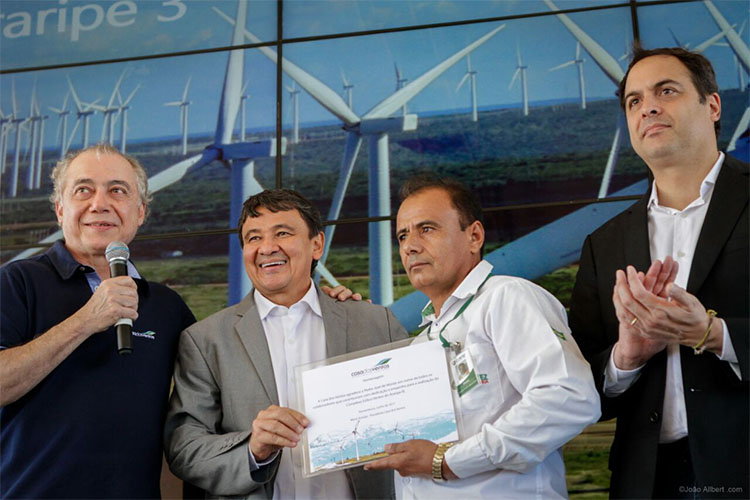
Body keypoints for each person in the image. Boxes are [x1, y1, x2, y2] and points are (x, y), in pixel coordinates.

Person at [569, 46, 749, 499]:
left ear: (712, 105)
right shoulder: (602, 245)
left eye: (666, 91)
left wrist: (713, 333)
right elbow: (582, 384)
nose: (647, 106)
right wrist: (623, 360)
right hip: (646, 481)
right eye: (634, 101)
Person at [365, 176, 600, 498]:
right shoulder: (423, 341)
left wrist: (448, 461)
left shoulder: (506, 298)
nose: (410, 245)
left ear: (474, 236)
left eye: (427, 229)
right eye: (402, 235)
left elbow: (568, 398)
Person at [164, 188, 408, 498]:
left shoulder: (375, 323)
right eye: (253, 238)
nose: (266, 248)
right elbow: (184, 449)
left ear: (316, 244)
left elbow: (417, 417)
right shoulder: (205, 341)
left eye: (282, 233)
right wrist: (253, 449)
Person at [0, 144, 196, 498]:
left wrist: (323, 303)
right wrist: (86, 320)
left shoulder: (168, 307)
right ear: (61, 209)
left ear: (140, 212)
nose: (100, 203)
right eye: (83, 190)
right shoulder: (16, 282)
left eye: (117, 190)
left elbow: (215, 389)